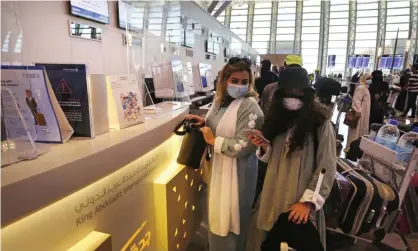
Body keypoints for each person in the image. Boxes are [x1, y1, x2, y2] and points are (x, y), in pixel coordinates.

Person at [248, 67, 336, 249]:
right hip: (272, 195)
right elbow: (273, 159)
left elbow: (326, 165)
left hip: (300, 200)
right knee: (269, 241)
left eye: (298, 91)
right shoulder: (278, 119)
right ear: (281, 93)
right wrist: (264, 145)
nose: (294, 95)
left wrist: (307, 203)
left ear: (307, 92)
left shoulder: (319, 123)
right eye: (289, 91)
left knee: (295, 243)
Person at [186, 57, 264, 251]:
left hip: (238, 174)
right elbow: (218, 124)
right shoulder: (220, 100)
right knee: (218, 214)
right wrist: (204, 122)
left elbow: (243, 146)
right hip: (220, 169)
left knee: (231, 218)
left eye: (244, 82)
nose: (239, 85)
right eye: (235, 81)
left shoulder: (250, 108)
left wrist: (214, 141)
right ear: (224, 80)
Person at [345, 73, 371, 152]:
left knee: (361, 130)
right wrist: (357, 111)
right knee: (355, 131)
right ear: (364, 78)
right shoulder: (361, 88)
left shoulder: (365, 88)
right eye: (368, 78)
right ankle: (351, 147)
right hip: (359, 113)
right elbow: (356, 100)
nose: (370, 80)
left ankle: (359, 147)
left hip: (364, 113)